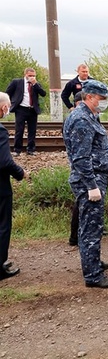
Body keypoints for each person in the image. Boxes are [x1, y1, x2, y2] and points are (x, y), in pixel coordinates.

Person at [62, 80, 108, 288]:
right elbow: (80, 157)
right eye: (102, 98)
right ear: (89, 97)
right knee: (90, 228)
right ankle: (93, 275)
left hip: (96, 178)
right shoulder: (81, 120)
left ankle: (93, 262)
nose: (104, 102)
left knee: (93, 226)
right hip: (90, 181)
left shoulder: (90, 116)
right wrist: (91, 185)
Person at [0, 92, 28, 280]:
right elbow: (4, 162)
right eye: (8, 106)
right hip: (0, 189)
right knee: (2, 226)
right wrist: (21, 173)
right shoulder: (0, 131)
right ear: (3, 107)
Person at [6, 67, 47, 156]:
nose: (31, 77)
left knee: (32, 130)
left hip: (32, 109)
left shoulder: (36, 84)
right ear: (25, 75)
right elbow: (8, 92)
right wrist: (10, 103)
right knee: (19, 130)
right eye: (29, 75)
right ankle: (17, 149)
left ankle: (30, 149)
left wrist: (35, 84)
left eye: (33, 76)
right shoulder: (17, 82)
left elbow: (43, 93)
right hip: (21, 109)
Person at [68, 91, 84, 247]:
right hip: (82, 169)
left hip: (83, 168)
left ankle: (77, 235)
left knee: (81, 203)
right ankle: (75, 236)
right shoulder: (77, 119)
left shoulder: (82, 117)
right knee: (81, 202)